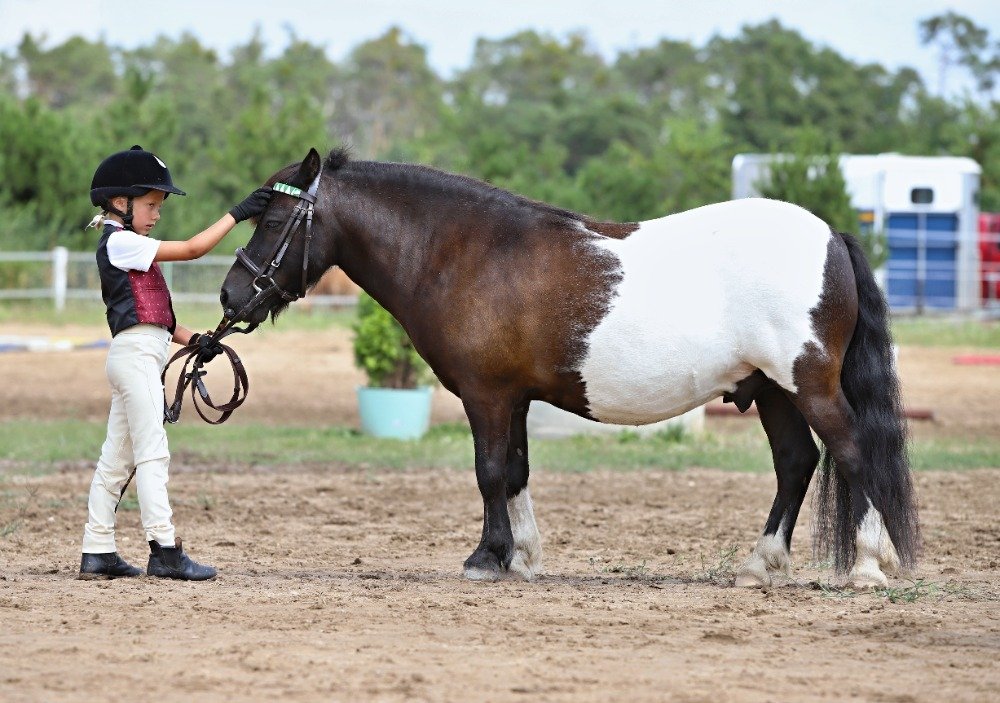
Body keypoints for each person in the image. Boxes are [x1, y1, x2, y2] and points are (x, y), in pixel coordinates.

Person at [79, 145, 271, 581]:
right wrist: (237, 214)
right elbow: (192, 250)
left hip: (139, 351)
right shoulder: (123, 242)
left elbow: (154, 316)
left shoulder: (131, 245)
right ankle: (164, 550)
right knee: (152, 453)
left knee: (118, 457)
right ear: (119, 203)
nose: (156, 214)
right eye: (150, 205)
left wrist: (195, 339)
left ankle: (98, 550)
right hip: (137, 357)